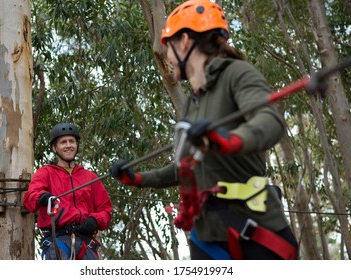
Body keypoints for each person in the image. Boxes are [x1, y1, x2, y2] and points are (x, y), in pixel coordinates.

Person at [109, 0, 298, 260]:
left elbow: (269, 120)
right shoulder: (193, 103)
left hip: (255, 230)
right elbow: (186, 166)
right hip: (208, 234)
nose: (169, 57)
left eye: (170, 48)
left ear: (184, 41)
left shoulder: (238, 74)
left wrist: (227, 140)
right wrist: (138, 179)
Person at [23, 123, 113, 260]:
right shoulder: (45, 173)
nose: (68, 145)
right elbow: (30, 198)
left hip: (85, 242)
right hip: (58, 239)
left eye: (72, 141)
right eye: (63, 142)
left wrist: (95, 219)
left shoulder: (90, 178)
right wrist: (42, 197)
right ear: (54, 147)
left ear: (77, 145)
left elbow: (105, 210)